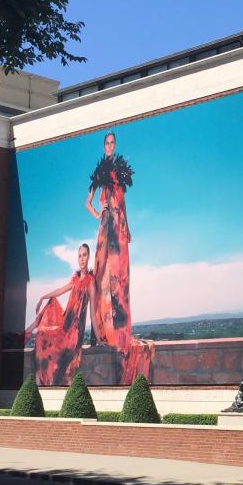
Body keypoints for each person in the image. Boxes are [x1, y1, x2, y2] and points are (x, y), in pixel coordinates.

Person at [86, 131, 153, 384]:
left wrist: (129, 227)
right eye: (107, 142)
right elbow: (88, 202)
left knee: (121, 279)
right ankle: (104, 332)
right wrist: (98, 213)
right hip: (106, 226)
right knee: (104, 276)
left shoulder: (121, 170)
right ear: (103, 146)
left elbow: (123, 205)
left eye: (113, 142)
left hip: (120, 227)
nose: (111, 145)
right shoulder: (101, 170)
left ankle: (120, 333)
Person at [22, 244, 96, 385]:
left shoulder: (90, 282)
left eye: (84, 255)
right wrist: (43, 297)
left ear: (89, 256)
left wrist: (98, 337)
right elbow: (60, 290)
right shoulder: (75, 279)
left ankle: (26, 335)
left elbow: (92, 312)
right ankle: (26, 333)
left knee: (42, 334)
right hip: (65, 322)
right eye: (79, 256)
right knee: (51, 302)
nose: (82, 259)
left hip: (74, 331)